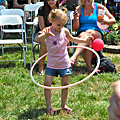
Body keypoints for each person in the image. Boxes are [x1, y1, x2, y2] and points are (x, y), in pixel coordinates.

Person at [34, 8, 93, 114]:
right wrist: (45, 35)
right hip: (51, 64)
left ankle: (63, 105)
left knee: (65, 85)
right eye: (58, 25)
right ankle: (48, 107)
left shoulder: (64, 31)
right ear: (51, 21)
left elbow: (73, 39)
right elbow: (37, 39)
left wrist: (85, 40)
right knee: (47, 84)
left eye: (62, 24)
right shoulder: (47, 31)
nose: (60, 27)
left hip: (64, 64)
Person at [70, 0, 116, 73]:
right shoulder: (79, 9)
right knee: (88, 40)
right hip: (82, 33)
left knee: (89, 32)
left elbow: (113, 20)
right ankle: (90, 68)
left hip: (96, 32)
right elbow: (75, 28)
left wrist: (106, 22)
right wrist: (76, 19)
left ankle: (74, 56)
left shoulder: (99, 7)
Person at [34, 0, 59, 76]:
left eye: (53, 0)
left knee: (66, 40)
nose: (51, 1)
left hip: (57, 33)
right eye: (49, 0)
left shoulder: (60, 10)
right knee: (45, 41)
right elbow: (42, 27)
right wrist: (47, 33)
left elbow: (60, 25)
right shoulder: (42, 9)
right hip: (43, 33)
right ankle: (40, 68)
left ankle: (63, 66)